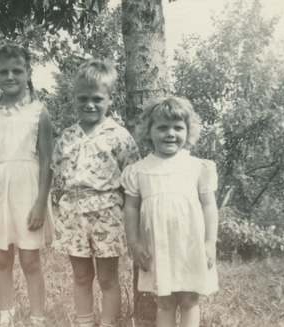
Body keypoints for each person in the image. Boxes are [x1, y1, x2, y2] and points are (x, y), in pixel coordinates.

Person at [52, 59, 140, 327]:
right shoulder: (66, 137)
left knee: (107, 278)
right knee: (81, 276)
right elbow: (58, 178)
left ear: (110, 99)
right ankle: (84, 322)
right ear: (74, 99)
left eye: (97, 99)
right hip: (73, 216)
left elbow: (133, 180)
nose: (89, 104)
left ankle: (110, 322)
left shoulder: (119, 136)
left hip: (107, 215)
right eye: (83, 98)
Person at [0, 44, 54, 327]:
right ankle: (5, 315)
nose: (10, 76)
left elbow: (47, 162)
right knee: (2, 257)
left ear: (28, 72)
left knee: (30, 259)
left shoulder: (39, 112)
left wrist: (41, 203)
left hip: (28, 191)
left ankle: (36, 318)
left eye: (17, 71)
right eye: (3, 71)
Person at [121, 97, 219, 327]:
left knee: (189, 299)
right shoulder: (139, 171)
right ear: (149, 130)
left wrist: (210, 241)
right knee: (164, 300)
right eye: (162, 127)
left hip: (190, 245)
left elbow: (209, 205)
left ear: (188, 131)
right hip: (158, 247)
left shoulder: (198, 167)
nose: (170, 133)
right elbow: (131, 207)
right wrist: (133, 243)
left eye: (178, 127)